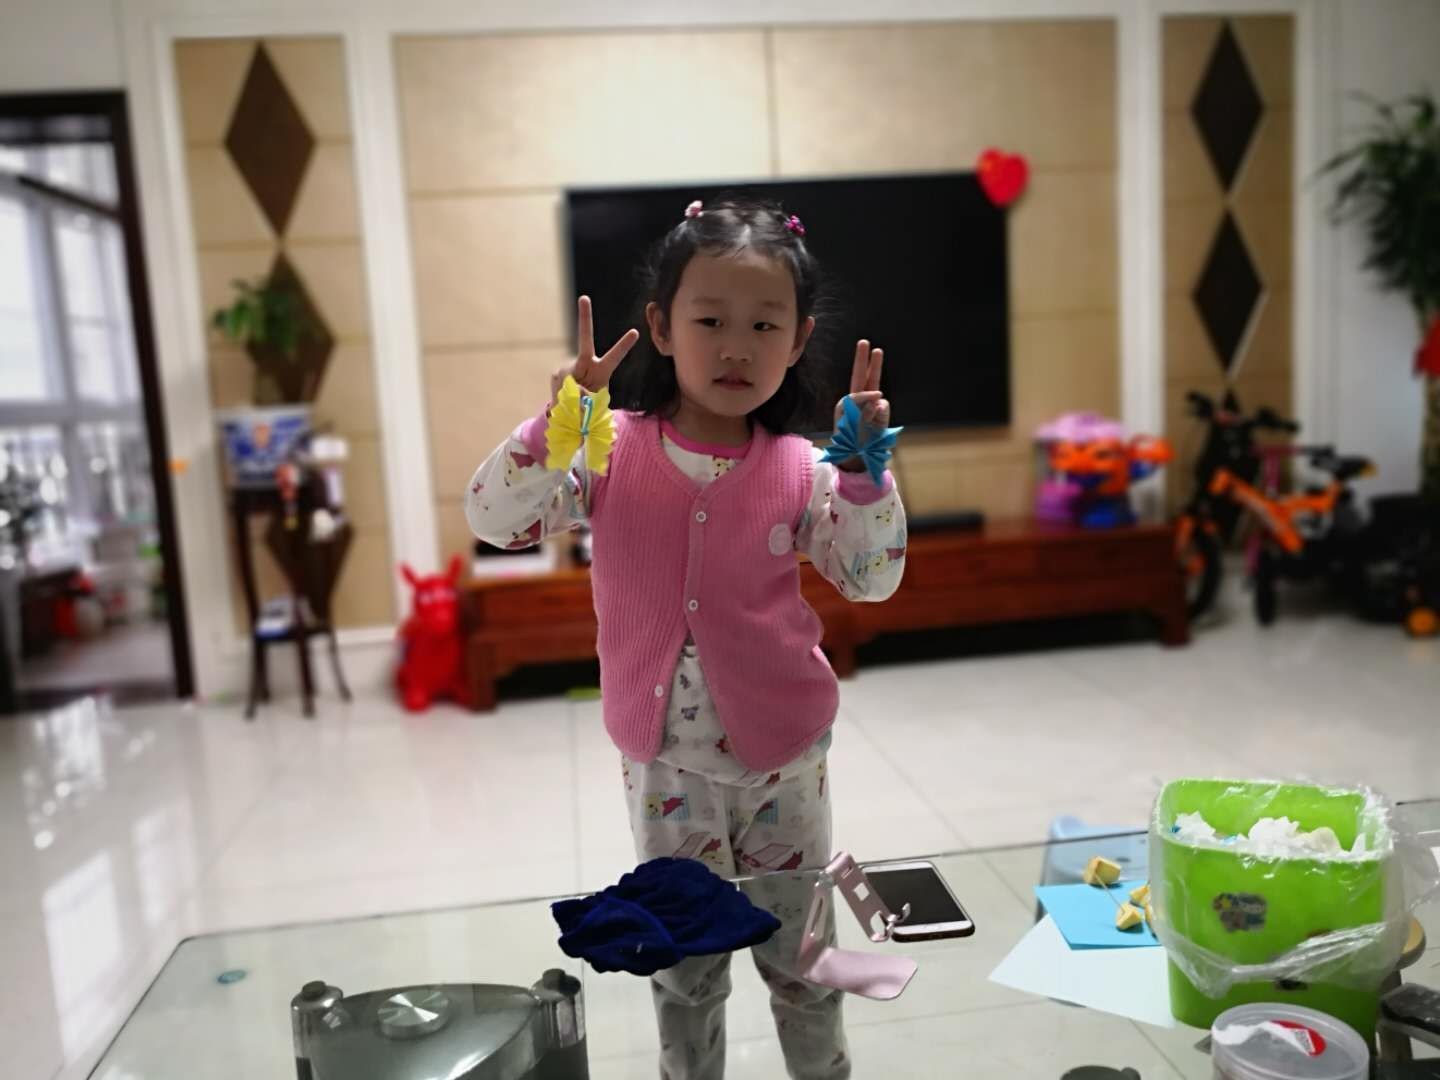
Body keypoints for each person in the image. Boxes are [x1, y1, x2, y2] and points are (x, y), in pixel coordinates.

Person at [466, 197, 907, 1080]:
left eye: (763, 326)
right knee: (686, 972)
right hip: (665, 767)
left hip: (785, 761)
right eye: (710, 321)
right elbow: (495, 521)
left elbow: (871, 576)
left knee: (804, 962)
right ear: (662, 328)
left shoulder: (800, 467)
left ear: (798, 340)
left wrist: (863, 476)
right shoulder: (607, 453)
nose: (736, 347)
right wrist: (557, 427)